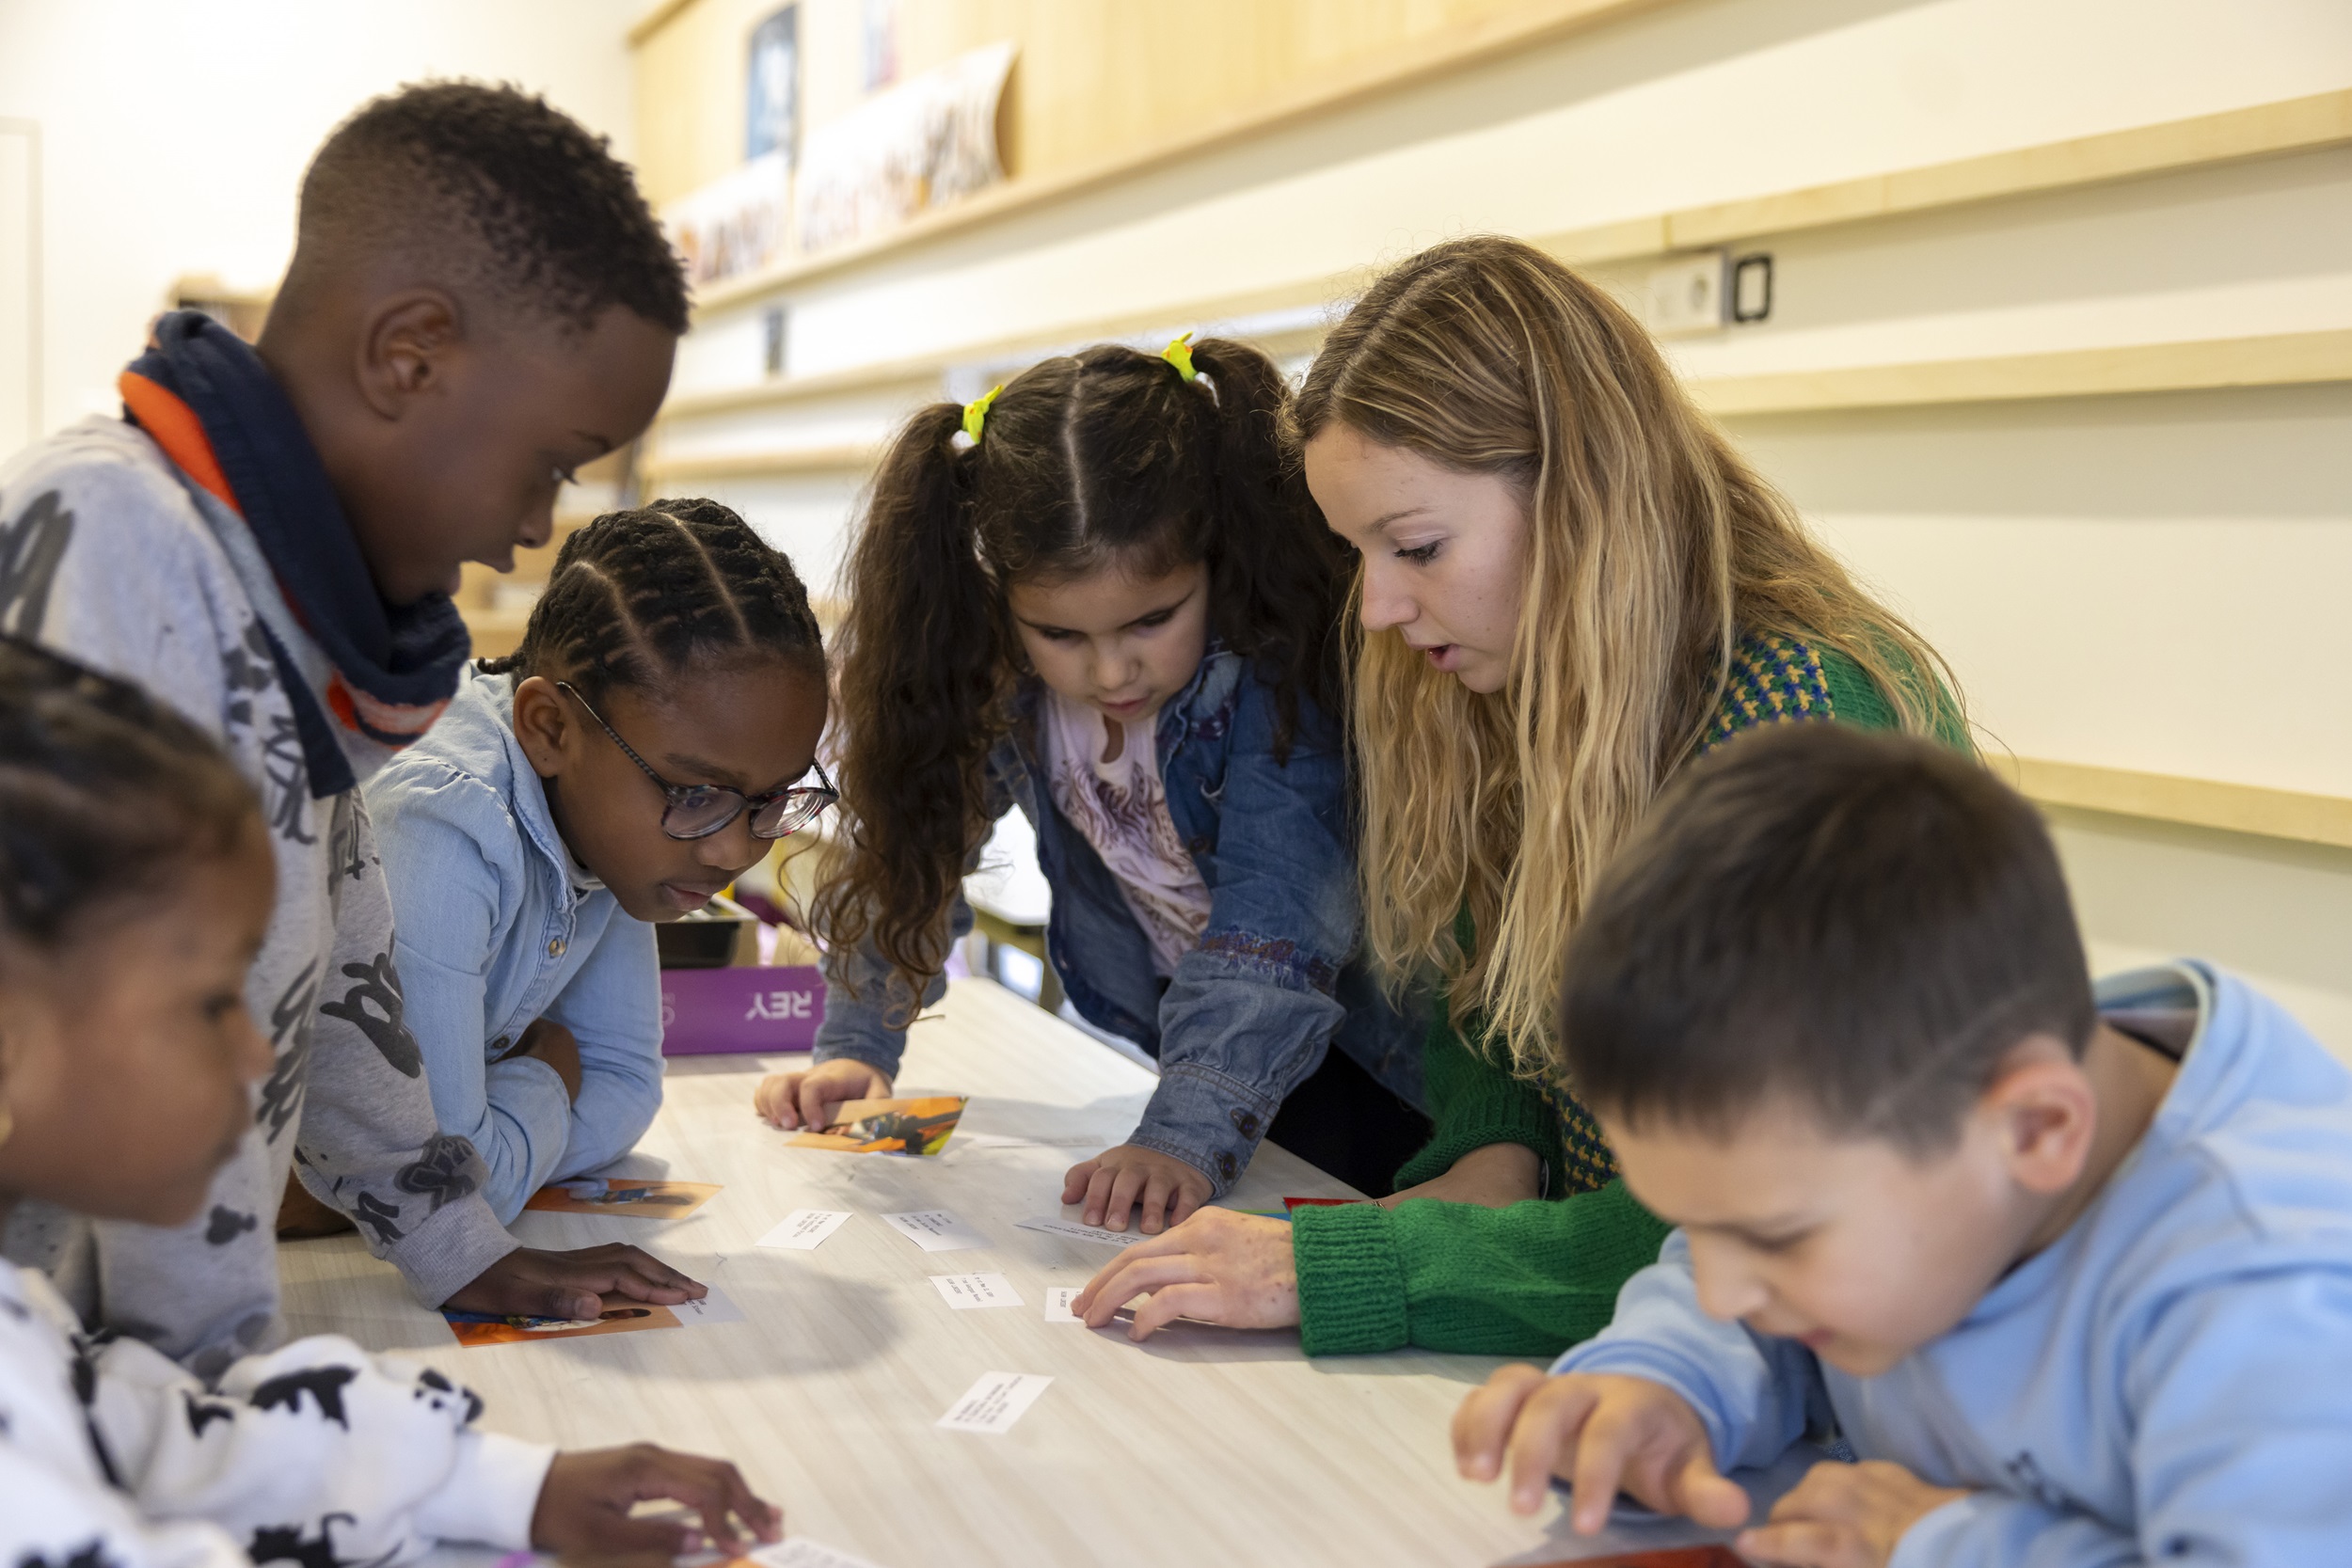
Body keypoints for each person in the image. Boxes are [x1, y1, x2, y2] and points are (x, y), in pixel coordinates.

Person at [1075, 235, 1963, 1350]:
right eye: (1359, 555)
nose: (1377, 609)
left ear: (1582, 493)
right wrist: (1492, 1161)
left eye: (1417, 545)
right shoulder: (1508, 685)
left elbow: (1730, 1238)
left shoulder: (1807, 730)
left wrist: (1359, 1259)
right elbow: (1487, 1014)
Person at [0, 81, 699, 1374]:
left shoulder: (296, 621)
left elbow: (344, 990)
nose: (539, 524)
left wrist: (467, 1250)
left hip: (143, 1409)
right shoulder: (115, 544)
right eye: (552, 458)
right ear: (411, 355)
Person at [1454, 723, 2352, 1567]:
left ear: (2040, 1130)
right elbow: (1721, 1292)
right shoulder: (1938, 1112)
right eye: (1698, 1223)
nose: (1726, 1286)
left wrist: (1948, 1544)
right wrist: (1660, 1380)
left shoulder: (2274, 1292)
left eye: (1775, 1238)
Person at [0, 637, 781, 1568]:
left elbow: (163, 1433)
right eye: (214, 1002)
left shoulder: (27, 1330)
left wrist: (504, 1486)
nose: (261, 1053)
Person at [755, 337, 1426, 1230]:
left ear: (1214, 558)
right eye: (1061, 634)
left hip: (1373, 1066)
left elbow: (1274, 928)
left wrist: (1182, 1135)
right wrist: (858, 1046)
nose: (1113, 670)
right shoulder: (1004, 684)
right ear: (1001, 600)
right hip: (1208, 1061)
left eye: (1153, 618)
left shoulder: (1275, 677)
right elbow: (908, 856)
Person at [367, 499, 832, 1224]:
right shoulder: (444, 824)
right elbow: (450, 1197)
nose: (736, 850)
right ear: (549, 727)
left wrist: (487, 1132)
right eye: (696, 790)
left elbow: (625, 1089)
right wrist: (550, 1070)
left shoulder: (618, 829)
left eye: (771, 798)